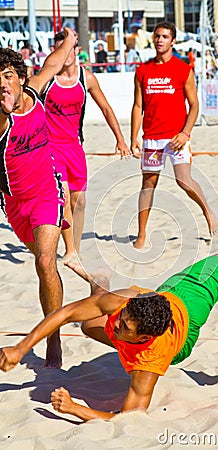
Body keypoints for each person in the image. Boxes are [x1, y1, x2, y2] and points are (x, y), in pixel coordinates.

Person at [0, 249, 218, 421]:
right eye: (122, 319)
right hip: (170, 291)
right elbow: (63, 313)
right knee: (89, 324)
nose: (117, 324)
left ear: (142, 339)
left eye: (125, 328)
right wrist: (20, 348)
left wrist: (75, 408)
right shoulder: (127, 303)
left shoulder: (149, 362)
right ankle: (99, 288)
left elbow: (128, 417)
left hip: (186, 317)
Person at [0, 27, 78, 368]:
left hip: (47, 191)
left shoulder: (36, 92)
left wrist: (70, 41)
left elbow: (54, 61)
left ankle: (54, 337)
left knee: (46, 262)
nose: (3, 84)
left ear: (20, 78)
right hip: (15, 204)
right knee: (46, 266)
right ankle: (89, 287)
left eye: (7, 77)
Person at [42, 32, 130, 262]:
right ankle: (69, 249)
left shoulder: (86, 78)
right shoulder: (47, 79)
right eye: (59, 49)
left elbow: (107, 109)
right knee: (62, 196)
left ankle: (75, 246)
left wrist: (120, 139)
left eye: (68, 48)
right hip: (50, 149)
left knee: (79, 201)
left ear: (76, 49)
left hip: (75, 147)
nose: (64, 54)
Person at [130, 21, 218, 249]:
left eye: (165, 36)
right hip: (152, 137)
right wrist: (133, 138)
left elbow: (194, 105)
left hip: (176, 137)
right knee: (148, 184)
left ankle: (208, 213)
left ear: (173, 41)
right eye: (157, 36)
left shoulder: (183, 69)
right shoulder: (143, 71)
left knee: (184, 181)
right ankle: (141, 234)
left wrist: (185, 133)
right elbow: (137, 106)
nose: (160, 40)